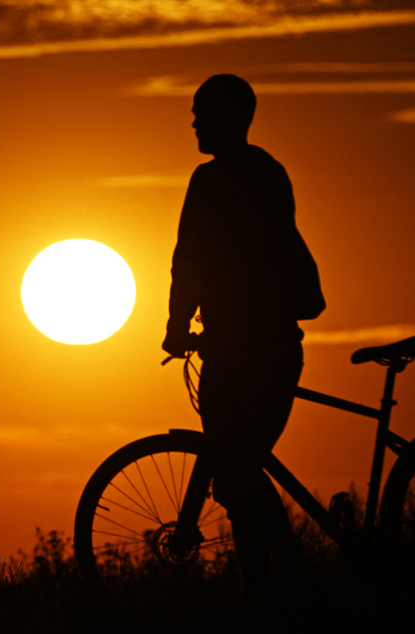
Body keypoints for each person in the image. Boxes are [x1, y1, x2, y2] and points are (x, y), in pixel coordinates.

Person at [162, 75, 324, 600]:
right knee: (239, 474)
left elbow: (188, 259)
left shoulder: (210, 181)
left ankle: (291, 581)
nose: (191, 124)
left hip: (238, 349)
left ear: (223, 119)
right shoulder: (269, 172)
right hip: (275, 344)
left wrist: (175, 328)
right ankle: (265, 592)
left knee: (235, 474)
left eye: (199, 114)